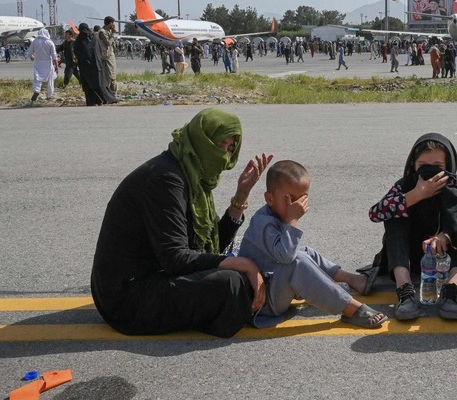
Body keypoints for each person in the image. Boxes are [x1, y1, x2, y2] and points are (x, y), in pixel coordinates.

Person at [91, 109, 273, 338]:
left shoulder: (191, 176)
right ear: (200, 140)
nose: (224, 156)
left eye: (230, 149)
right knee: (232, 283)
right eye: (219, 145)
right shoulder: (164, 178)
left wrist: (241, 195)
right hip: (127, 299)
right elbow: (176, 258)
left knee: (243, 267)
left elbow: (210, 246)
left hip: (155, 276)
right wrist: (245, 265)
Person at [239, 160, 389, 329]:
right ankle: (350, 309)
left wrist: (290, 219)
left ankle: (352, 279)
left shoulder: (278, 215)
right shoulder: (263, 223)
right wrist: (293, 219)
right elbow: (287, 256)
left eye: (302, 198)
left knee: (305, 252)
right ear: (269, 198)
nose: (296, 205)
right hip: (263, 303)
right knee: (297, 262)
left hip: (273, 284)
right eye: (290, 199)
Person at [365, 133, 457, 321]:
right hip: (413, 256)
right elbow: (375, 213)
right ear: (413, 165)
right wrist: (417, 194)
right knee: (394, 214)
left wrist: (448, 234)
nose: (430, 171)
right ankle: (405, 292)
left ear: (448, 166)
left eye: (437, 166)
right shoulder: (405, 185)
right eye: (423, 166)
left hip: (449, 255)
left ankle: (452, 290)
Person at [73, 23, 118, 106]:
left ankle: (93, 101)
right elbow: (99, 49)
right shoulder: (94, 38)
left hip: (85, 66)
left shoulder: (79, 40)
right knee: (100, 83)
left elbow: (77, 52)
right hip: (97, 65)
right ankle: (106, 99)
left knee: (88, 85)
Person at [28, 28, 57, 104]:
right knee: (50, 79)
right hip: (48, 63)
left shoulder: (35, 42)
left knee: (37, 78)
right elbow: (54, 56)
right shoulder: (50, 42)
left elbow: (30, 53)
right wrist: (56, 66)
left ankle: (36, 90)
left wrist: (32, 57)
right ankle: (49, 94)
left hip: (38, 63)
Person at [98, 16, 119, 95]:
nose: (113, 25)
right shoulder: (102, 32)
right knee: (108, 77)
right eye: (112, 23)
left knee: (113, 76)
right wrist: (113, 34)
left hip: (110, 56)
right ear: (110, 23)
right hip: (106, 57)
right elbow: (108, 43)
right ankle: (107, 95)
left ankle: (113, 94)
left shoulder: (109, 31)